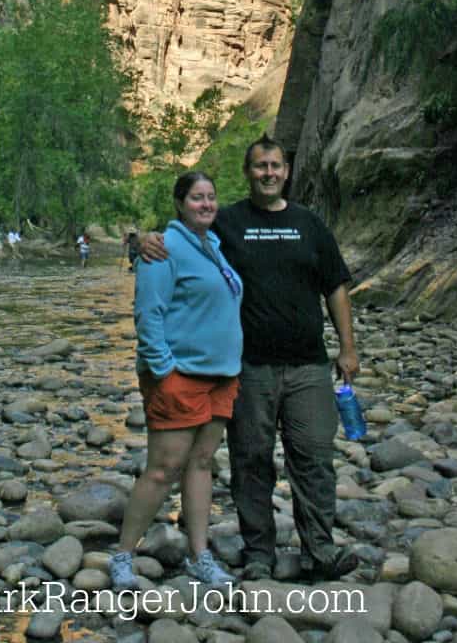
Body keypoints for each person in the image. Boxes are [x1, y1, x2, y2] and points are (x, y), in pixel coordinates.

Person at [140, 134, 360, 584]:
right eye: (260, 166)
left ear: (286, 171)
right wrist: (139, 240)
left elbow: (336, 286)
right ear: (248, 172)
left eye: (276, 166)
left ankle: (320, 551)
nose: (269, 173)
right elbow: (179, 237)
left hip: (308, 367)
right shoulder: (227, 221)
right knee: (251, 459)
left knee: (314, 459)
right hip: (249, 368)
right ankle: (258, 551)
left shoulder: (310, 224)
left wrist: (348, 347)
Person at [109, 172, 243, 593]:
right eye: (196, 198)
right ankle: (122, 558)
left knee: (201, 464)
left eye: (210, 197)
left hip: (221, 375)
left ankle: (199, 556)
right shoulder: (163, 248)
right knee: (163, 469)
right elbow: (149, 314)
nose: (205, 204)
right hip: (180, 376)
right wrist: (163, 371)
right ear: (180, 204)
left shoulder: (214, 246)